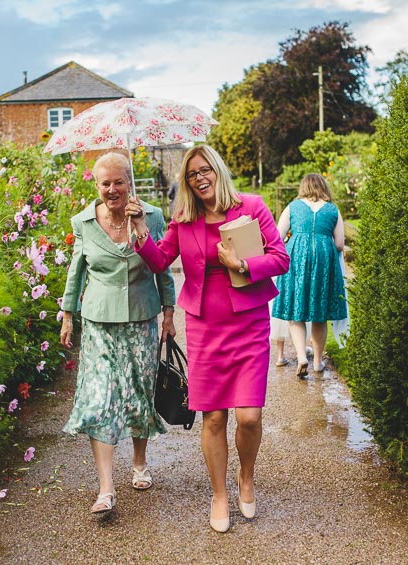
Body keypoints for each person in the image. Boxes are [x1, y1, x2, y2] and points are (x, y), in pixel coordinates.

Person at [126, 144, 289, 533]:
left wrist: (242, 264)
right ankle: (219, 495)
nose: (200, 178)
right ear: (186, 182)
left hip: (248, 323)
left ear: (217, 170)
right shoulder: (183, 219)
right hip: (205, 328)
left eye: (205, 170)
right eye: (192, 174)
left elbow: (281, 258)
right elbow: (160, 261)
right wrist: (140, 233)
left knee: (249, 417)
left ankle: (245, 478)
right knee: (213, 416)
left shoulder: (251, 206)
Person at [59, 151, 177, 515]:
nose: (112, 190)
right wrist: (67, 314)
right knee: (100, 397)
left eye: (119, 182)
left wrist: (169, 313)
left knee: (140, 392)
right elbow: (76, 272)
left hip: (142, 318)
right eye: (105, 183)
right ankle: (106, 488)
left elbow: (163, 269)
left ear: (130, 182)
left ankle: (139, 463)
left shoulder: (153, 216)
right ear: (96, 185)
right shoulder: (84, 222)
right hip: (98, 322)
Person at [271, 173, 347, 379]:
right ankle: (317, 362)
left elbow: (277, 236)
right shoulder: (333, 210)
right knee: (319, 313)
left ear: (303, 187)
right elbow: (339, 243)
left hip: (296, 257)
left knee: (296, 311)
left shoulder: (292, 207)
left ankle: (301, 356)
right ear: (323, 187)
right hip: (324, 258)